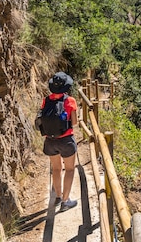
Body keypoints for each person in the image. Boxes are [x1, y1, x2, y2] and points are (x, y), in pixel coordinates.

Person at [42, 71, 79, 212]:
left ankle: (57, 196)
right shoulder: (70, 101)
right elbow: (74, 122)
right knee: (69, 170)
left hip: (50, 140)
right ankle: (65, 201)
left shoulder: (46, 100)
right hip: (66, 141)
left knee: (56, 169)